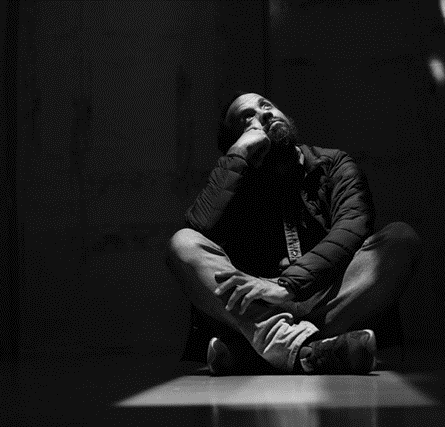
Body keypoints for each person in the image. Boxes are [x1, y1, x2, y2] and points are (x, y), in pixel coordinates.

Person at [165, 91, 423, 375]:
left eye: (266, 106)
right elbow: (200, 227)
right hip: (256, 303)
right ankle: (311, 351)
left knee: (400, 239)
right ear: (238, 139)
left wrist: (288, 287)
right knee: (182, 243)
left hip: (325, 294)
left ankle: (259, 351)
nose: (262, 114)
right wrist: (236, 157)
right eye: (246, 117)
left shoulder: (334, 164)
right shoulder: (236, 177)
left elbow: (353, 226)